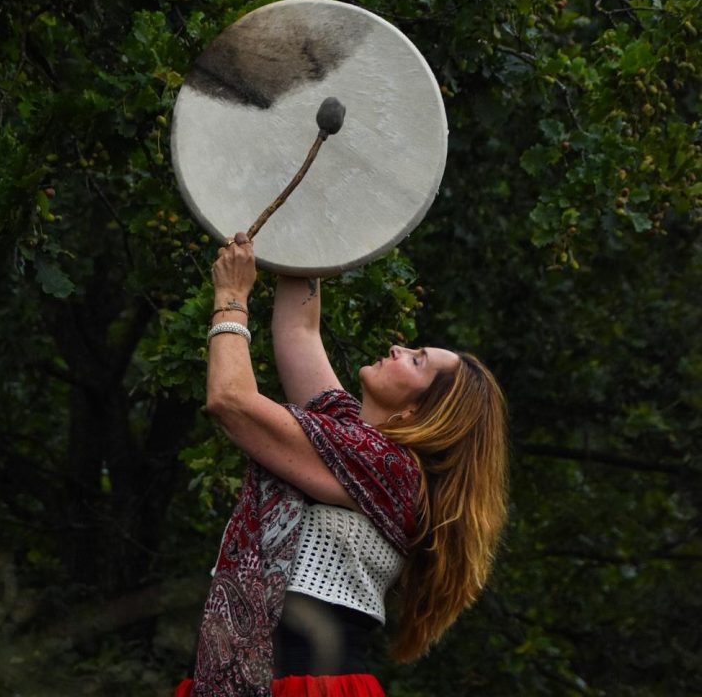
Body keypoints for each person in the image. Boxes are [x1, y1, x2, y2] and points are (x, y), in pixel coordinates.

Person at [173, 232, 508, 697]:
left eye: (416, 361)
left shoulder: (387, 468)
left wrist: (231, 296)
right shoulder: (348, 438)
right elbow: (299, 330)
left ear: (416, 413)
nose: (399, 348)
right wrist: (302, 216)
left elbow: (231, 401)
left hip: (306, 686)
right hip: (238, 679)